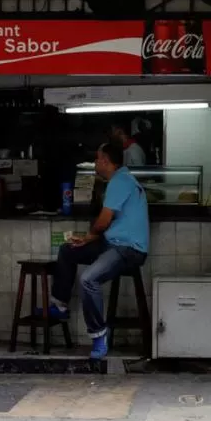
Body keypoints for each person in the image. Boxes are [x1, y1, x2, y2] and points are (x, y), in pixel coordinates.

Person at [50, 141, 149, 359]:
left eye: (97, 159)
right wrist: (87, 240)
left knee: (89, 279)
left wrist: (89, 237)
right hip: (112, 244)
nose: (95, 164)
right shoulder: (121, 180)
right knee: (68, 250)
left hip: (129, 249)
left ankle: (98, 336)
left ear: (105, 161)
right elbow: (105, 226)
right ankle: (60, 305)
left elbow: (103, 221)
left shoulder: (120, 180)